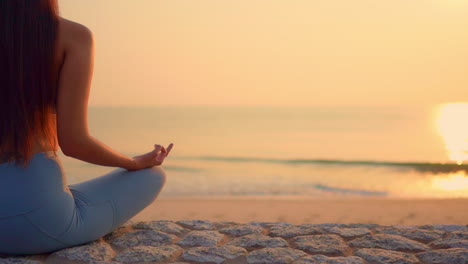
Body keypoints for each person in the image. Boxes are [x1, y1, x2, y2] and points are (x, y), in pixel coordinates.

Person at [0, 0, 173, 255]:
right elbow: (75, 143)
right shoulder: (72, 36)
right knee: (152, 177)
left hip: (33, 207)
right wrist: (133, 163)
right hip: (36, 221)